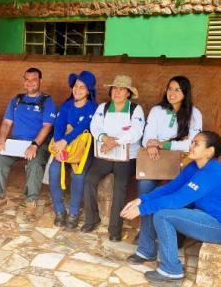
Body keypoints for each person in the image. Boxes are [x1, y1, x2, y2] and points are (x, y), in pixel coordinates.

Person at [121, 131, 221, 285]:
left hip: (216, 225)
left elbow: (178, 200)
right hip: (201, 214)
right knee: (153, 203)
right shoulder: (193, 166)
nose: (191, 146)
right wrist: (141, 200)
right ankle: (146, 251)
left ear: (210, 151)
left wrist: (141, 209)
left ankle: (172, 270)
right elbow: (171, 188)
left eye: (196, 143)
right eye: (192, 142)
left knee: (162, 214)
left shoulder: (213, 172)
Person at [138, 76, 202, 245]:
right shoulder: (157, 110)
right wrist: (151, 144)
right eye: (169, 88)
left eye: (177, 90)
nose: (171, 93)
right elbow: (146, 138)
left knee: (180, 193)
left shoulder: (194, 114)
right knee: (145, 189)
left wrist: (164, 144)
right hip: (155, 158)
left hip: (181, 162)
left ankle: (176, 237)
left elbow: (191, 144)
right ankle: (147, 237)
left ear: (185, 92)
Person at [82, 74, 145, 241]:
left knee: (120, 187)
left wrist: (115, 142)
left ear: (128, 93)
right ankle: (92, 219)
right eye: (114, 88)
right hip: (104, 155)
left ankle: (115, 229)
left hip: (126, 158)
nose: (117, 92)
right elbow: (95, 126)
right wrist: (104, 139)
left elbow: (136, 132)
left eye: (122, 89)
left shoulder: (135, 109)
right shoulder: (103, 107)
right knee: (89, 180)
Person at [0, 67, 56, 215]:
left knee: (34, 163)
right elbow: (7, 123)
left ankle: (31, 200)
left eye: (34, 80)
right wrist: (2, 141)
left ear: (40, 81)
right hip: (15, 143)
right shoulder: (17, 100)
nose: (30, 83)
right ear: (24, 81)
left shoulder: (47, 101)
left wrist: (34, 145)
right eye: (27, 80)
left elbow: (47, 126)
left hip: (38, 144)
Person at [48, 71, 98, 229]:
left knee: (78, 174)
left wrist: (65, 141)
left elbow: (83, 127)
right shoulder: (66, 105)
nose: (77, 90)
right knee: (54, 170)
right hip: (63, 146)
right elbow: (59, 125)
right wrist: (57, 144)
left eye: (82, 87)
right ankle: (59, 210)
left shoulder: (92, 108)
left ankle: (74, 213)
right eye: (76, 86)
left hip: (83, 149)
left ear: (88, 90)